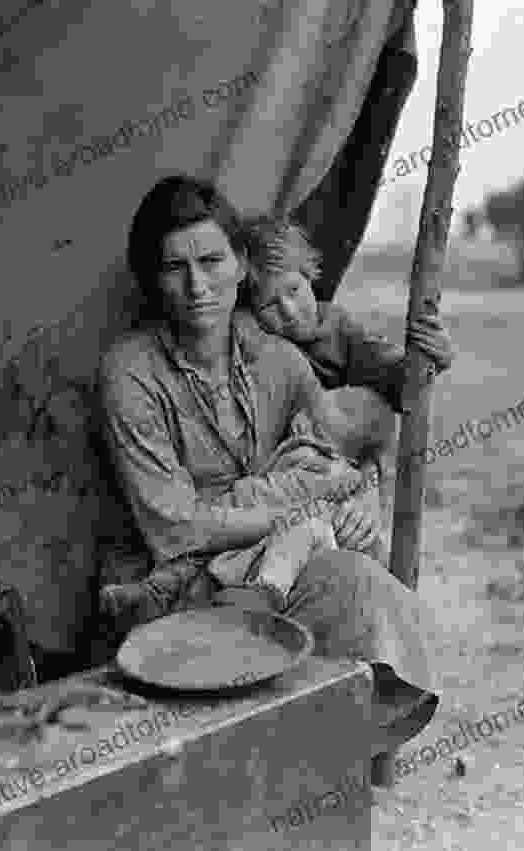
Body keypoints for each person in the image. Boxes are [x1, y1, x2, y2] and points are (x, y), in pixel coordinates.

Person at [98, 175, 441, 774]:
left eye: (211, 260)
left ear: (239, 266)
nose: (197, 285)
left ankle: (317, 764)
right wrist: (300, 514)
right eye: (174, 267)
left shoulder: (277, 356)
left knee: (362, 582)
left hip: (269, 566)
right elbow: (173, 525)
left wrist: (365, 493)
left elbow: (336, 439)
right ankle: (261, 761)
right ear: (153, 279)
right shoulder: (131, 371)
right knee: (298, 591)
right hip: (176, 579)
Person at [241, 215, 453, 467]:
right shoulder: (256, 341)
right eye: (269, 305)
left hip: (338, 456)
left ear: (308, 275)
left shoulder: (338, 327)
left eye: (294, 290)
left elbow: (389, 371)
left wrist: (429, 358)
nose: (289, 310)